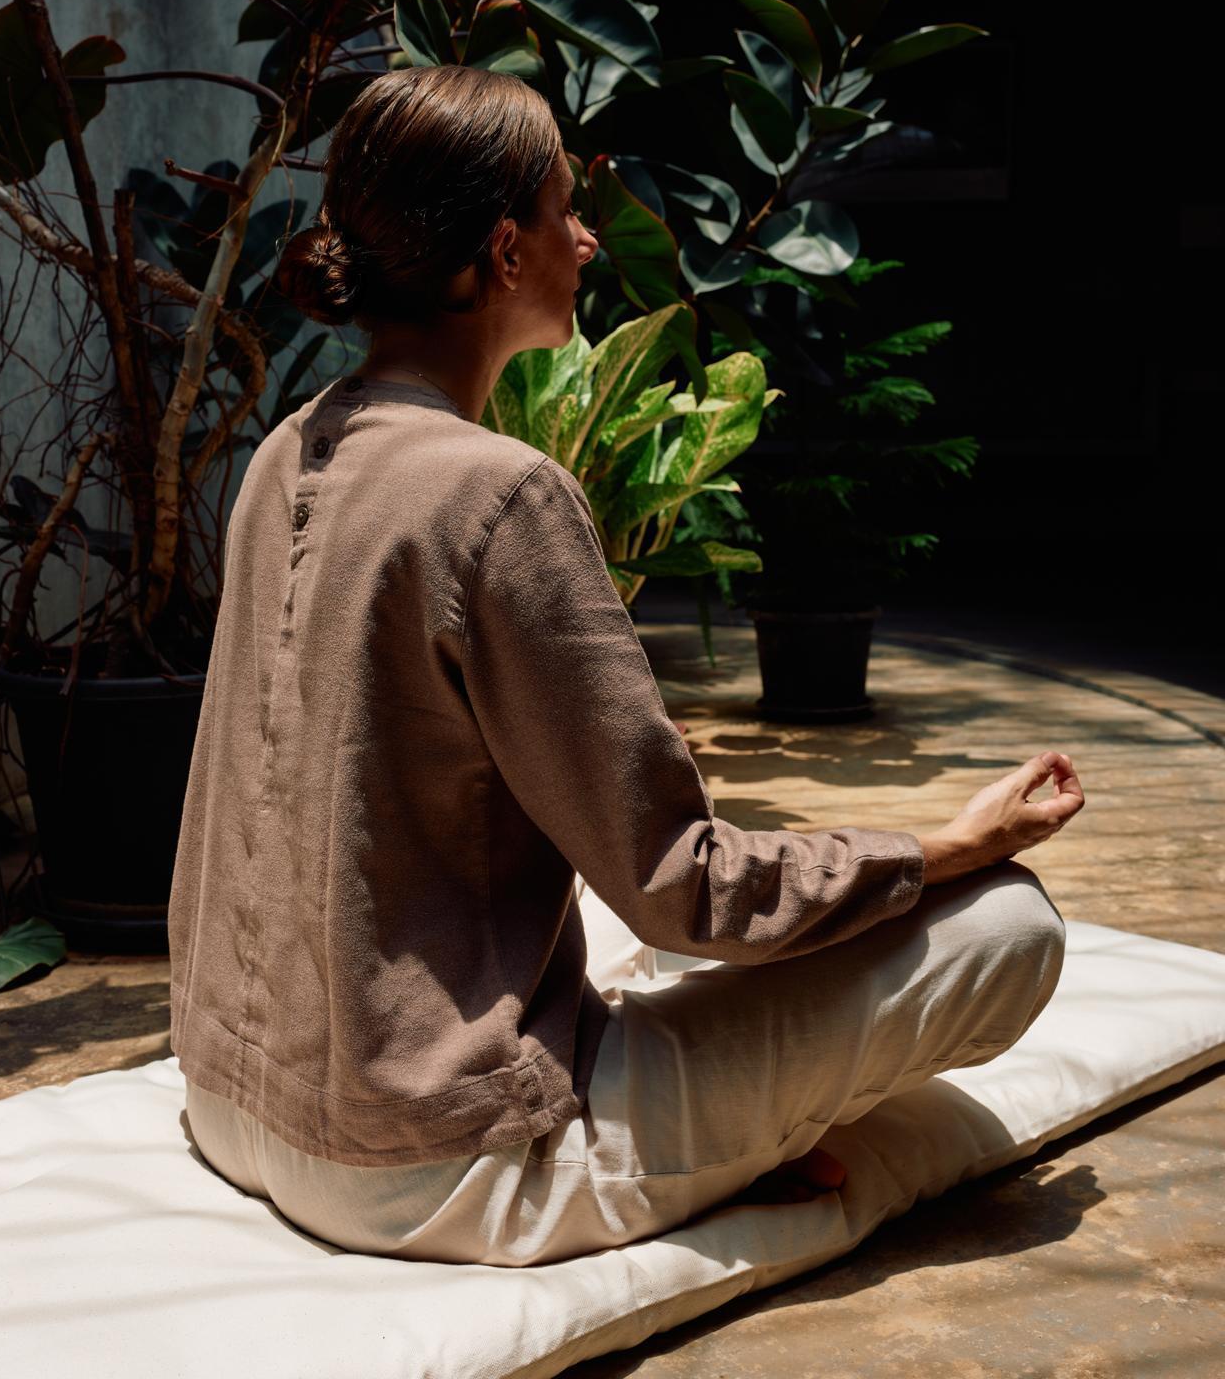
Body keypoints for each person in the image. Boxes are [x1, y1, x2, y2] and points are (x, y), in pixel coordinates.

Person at [169, 64, 1083, 1268]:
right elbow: (686, 891)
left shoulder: (287, 449)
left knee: (615, 914)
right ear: (503, 252)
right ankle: (711, 1152)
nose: (586, 238)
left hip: (236, 1098)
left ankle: (722, 1126)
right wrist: (945, 848)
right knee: (1009, 926)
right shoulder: (497, 492)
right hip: (432, 1165)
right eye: (562, 209)